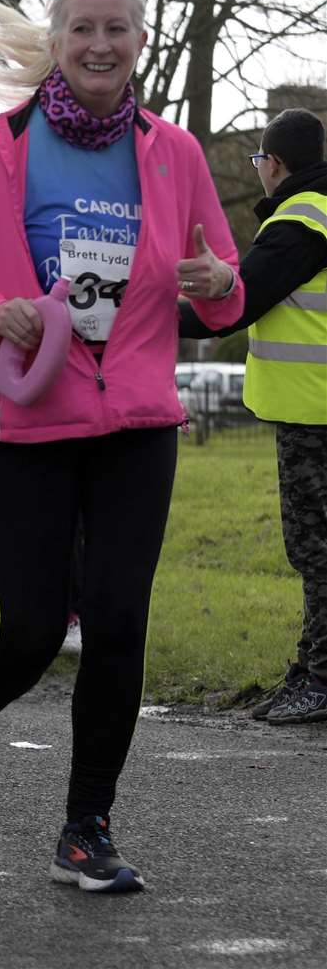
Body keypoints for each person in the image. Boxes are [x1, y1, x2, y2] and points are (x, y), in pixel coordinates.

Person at [0, 0, 244, 893]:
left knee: (121, 623)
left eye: (114, 28)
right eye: (81, 29)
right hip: (22, 421)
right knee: (34, 630)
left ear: (138, 41)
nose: (98, 43)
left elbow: (217, 283)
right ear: (55, 43)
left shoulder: (171, 154)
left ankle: (85, 826)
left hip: (134, 418)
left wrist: (220, 284)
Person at [180, 107, 327, 725]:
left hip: (313, 411)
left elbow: (237, 300)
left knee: (315, 549)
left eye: (258, 161)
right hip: (312, 405)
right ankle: (311, 666)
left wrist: (139, 320)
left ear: (274, 164)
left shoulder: (299, 221)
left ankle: (318, 678)